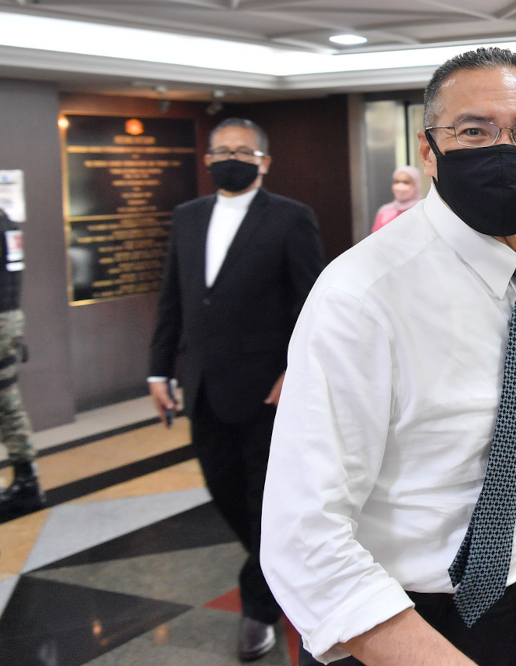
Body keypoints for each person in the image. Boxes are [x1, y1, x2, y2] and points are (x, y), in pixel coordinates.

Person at [261, 48, 516, 666]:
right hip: (406, 626)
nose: (504, 151)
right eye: (474, 131)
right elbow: (303, 537)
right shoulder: (360, 295)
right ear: (429, 149)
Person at [148, 117, 324, 661]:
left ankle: (259, 608)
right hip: (203, 385)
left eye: (243, 151)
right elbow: (173, 298)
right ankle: (287, 567)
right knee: (224, 489)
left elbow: (311, 304)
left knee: (263, 499)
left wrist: (294, 371)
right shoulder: (188, 216)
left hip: (268, 389)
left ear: (264, 162)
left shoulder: (291, 218)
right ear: (207, 159)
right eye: (222, 150)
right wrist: (158, 370)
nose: (231, 158)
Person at [0, 206, 44, 518]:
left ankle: (26, 480)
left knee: (6, 400)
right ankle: (27, 479)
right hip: (8, 318)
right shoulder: (6, 221)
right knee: (6, 399)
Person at [371, 166, 422, 232]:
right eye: (397, 182)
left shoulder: (422, 211)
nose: (400, 187)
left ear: (416, 185)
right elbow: (375, 236)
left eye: (405, 182)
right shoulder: (384, 211)